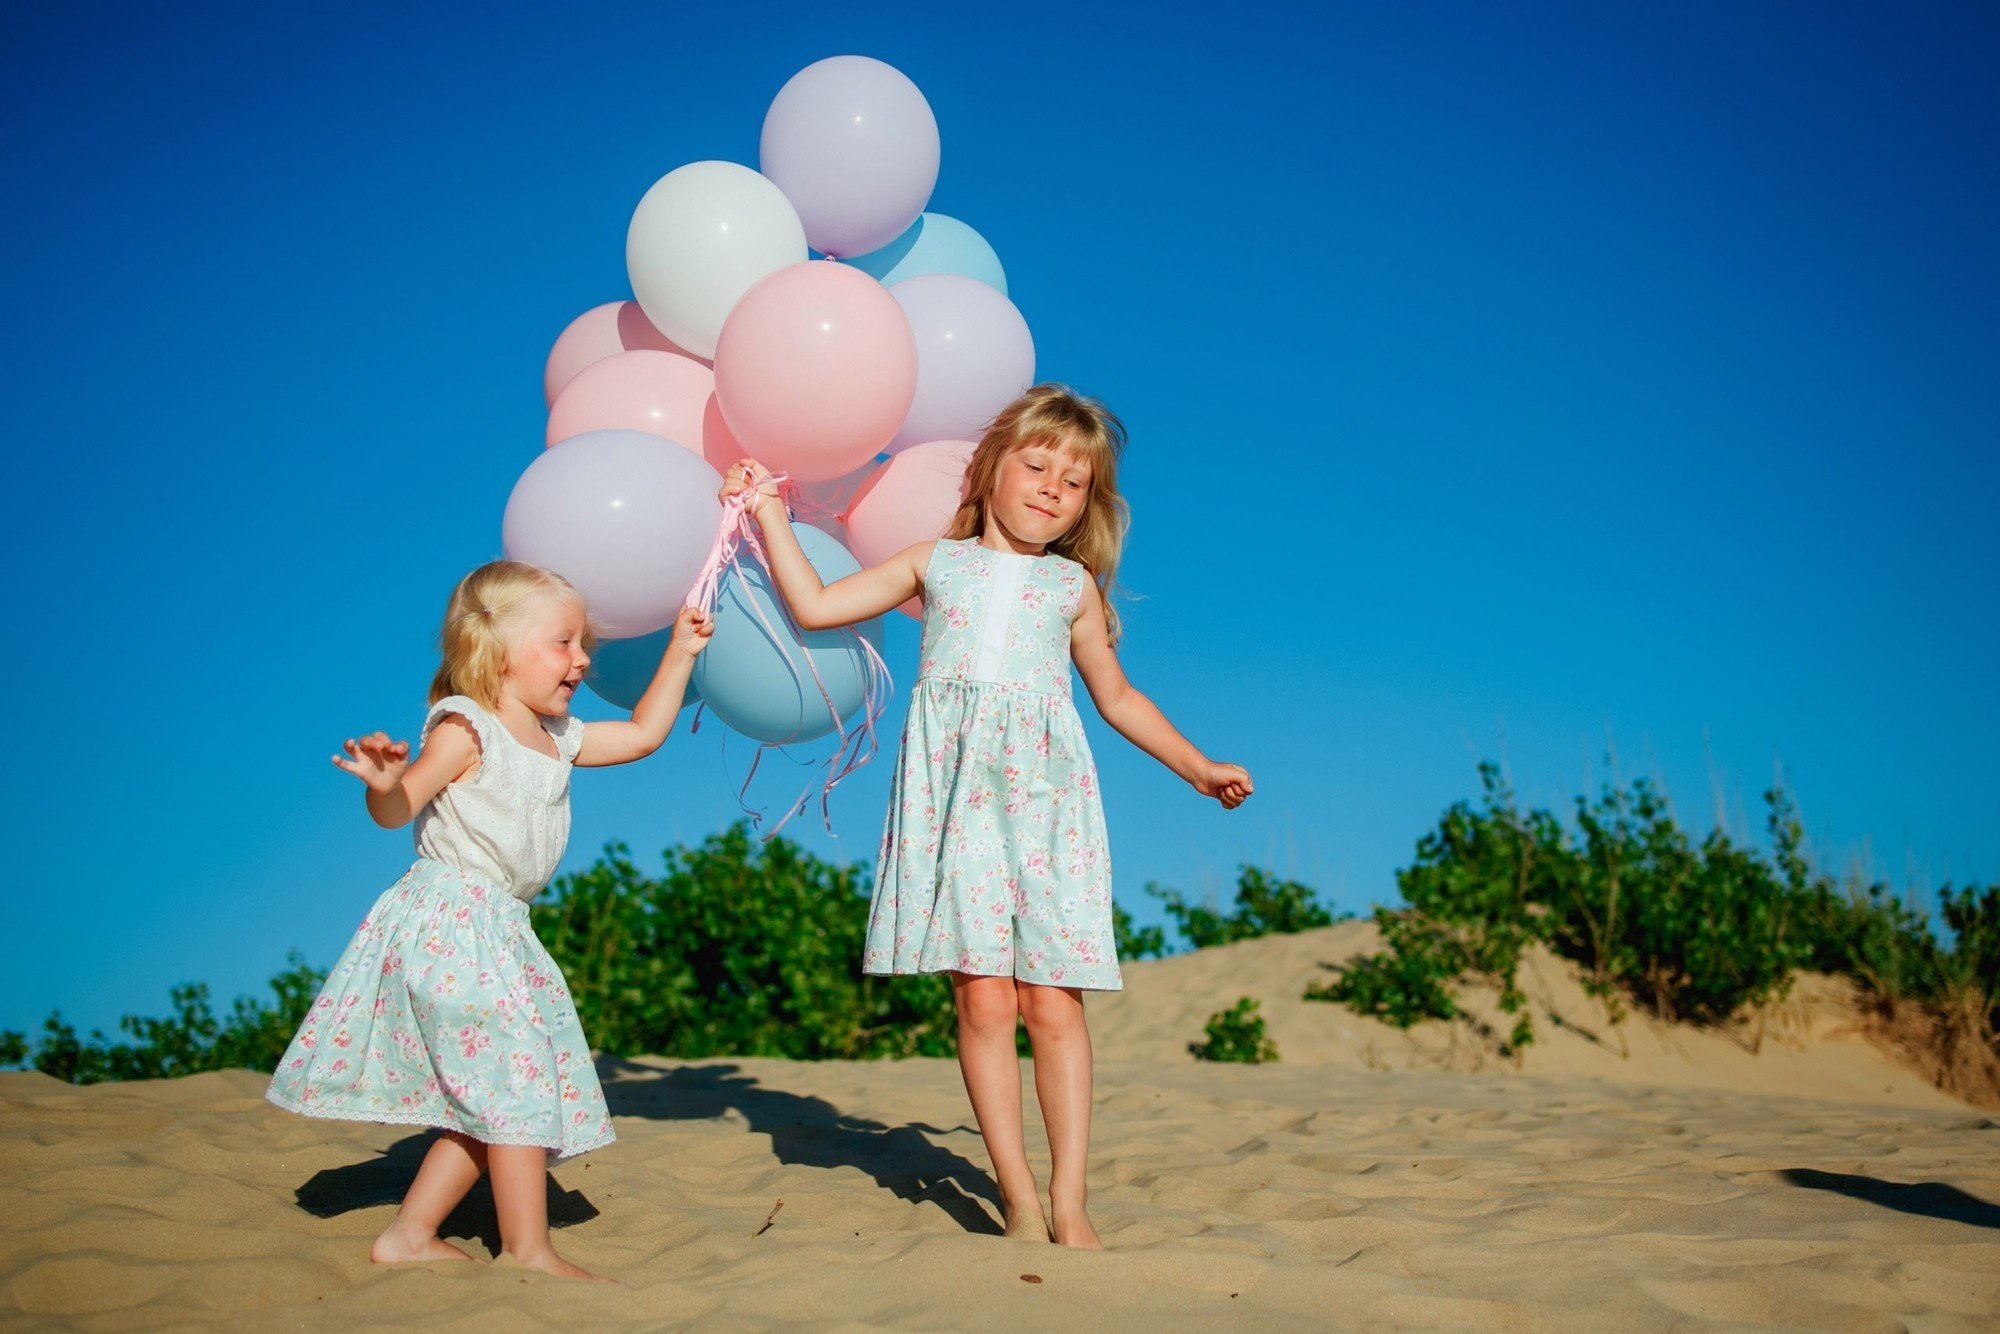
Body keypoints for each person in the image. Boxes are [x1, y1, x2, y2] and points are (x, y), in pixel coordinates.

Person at [722, 383, 1252, 1249]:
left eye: (1073, 481)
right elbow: (815, 606)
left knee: (1053, 1002)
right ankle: (1018, 1196)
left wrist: (1197, 766)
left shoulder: (1072, 587)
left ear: (1089, 504)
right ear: (988, 470)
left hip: (1047, 802)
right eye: (1035, 465)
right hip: (955, 795)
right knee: (982, 999)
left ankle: (1071, 1199)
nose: (1050, 487)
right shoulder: (935, 562)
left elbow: (1116, 699)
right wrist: (772, 511)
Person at [266, 559, 711, 1280]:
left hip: (502, 929)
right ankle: (528, 1251)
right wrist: (381, 784)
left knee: (497, 1094)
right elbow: (399, 807)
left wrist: (683, 650)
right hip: (450, 922)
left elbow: (640, 736)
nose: (583, 658)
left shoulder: (557, 735)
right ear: (497, 648)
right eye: (563, 642)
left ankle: (411, 1234)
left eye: (583, 642)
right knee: (516, 1082)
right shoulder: (466, 727)